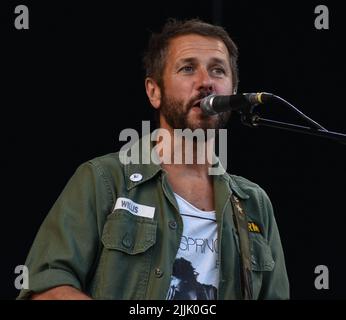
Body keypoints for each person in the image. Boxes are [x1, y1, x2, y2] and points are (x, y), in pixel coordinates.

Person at [18, 18, 289, 300]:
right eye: (187, 68)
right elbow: (46, 288)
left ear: (233, 91)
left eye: (218, 70)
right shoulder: (103, 179)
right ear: (154, 91)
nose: (206, 82)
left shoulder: (254, 203)